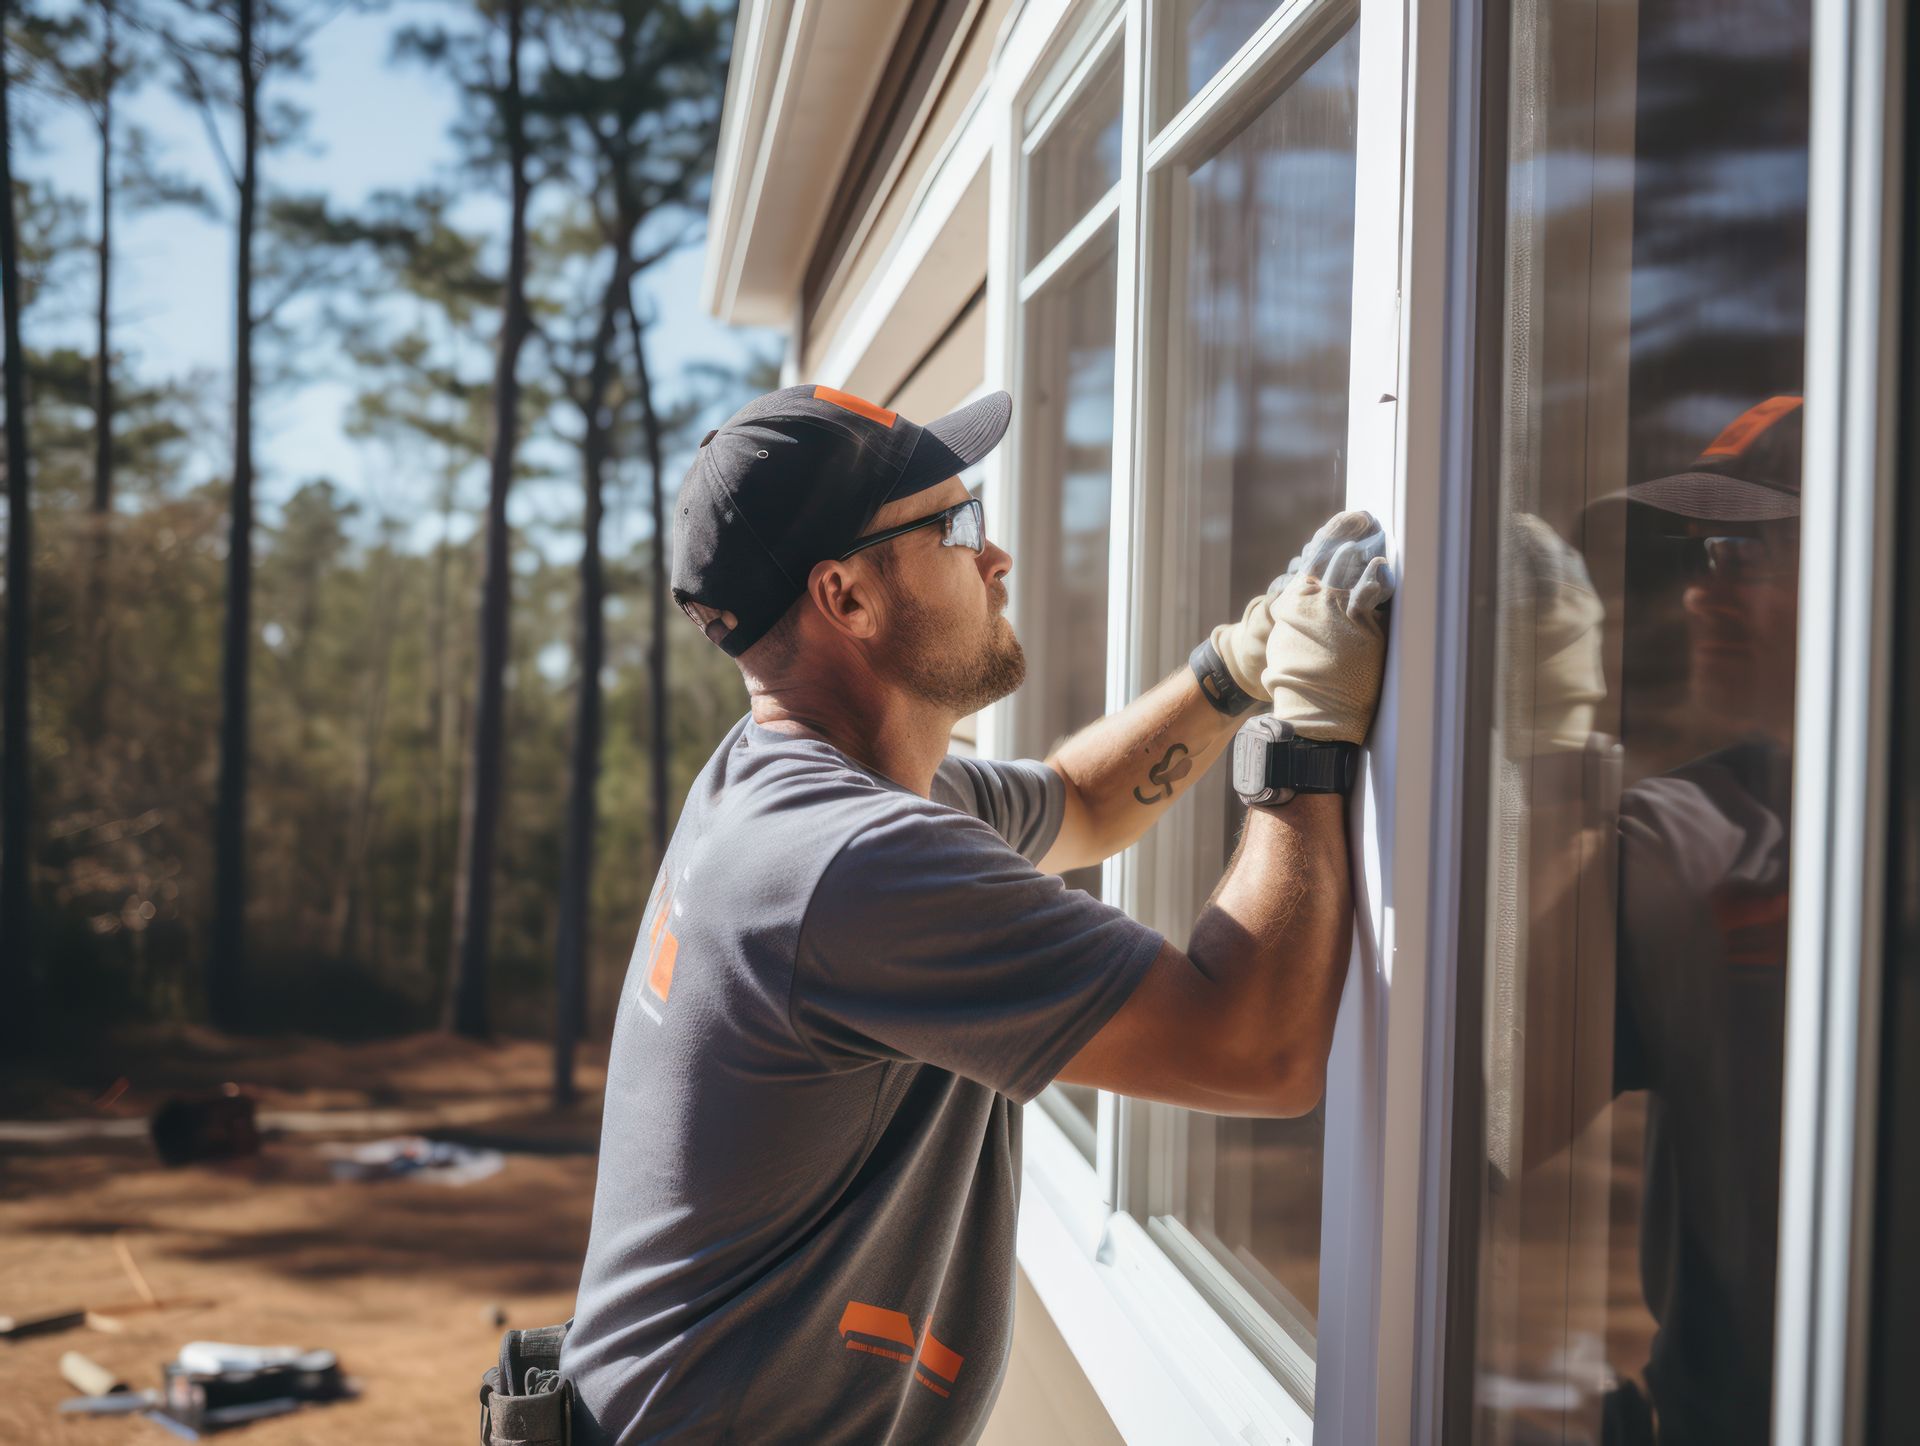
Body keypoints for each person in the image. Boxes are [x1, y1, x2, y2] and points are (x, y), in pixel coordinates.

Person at [558, 384, 1394, 1443]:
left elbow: (1081, 804)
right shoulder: (850, 862)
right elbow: (1251, 1052)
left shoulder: (800, 786)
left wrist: (1232, 671)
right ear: (846, 599)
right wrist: (1307, 740)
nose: (995, 558)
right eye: (955, 528)